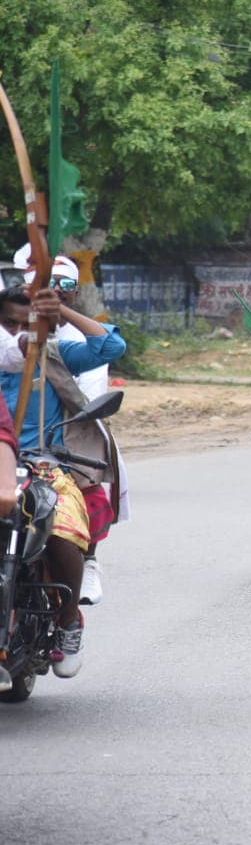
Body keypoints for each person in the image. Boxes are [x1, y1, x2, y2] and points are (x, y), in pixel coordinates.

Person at [0, 285, 120, 678]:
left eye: (29, 324)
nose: (19, 333)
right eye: (9, 323)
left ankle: (68, 621)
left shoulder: (52, 354)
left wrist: (62, 314)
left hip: (44, 467)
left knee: (61, 527)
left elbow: (109, 348)